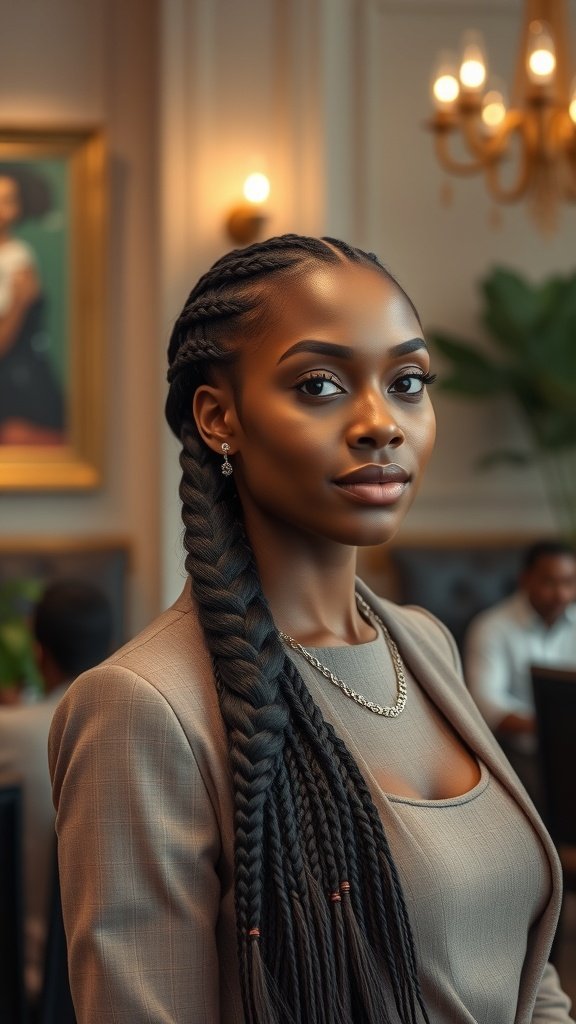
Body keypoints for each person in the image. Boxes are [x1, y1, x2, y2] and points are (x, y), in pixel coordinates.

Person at [49, 235, 573, 1023]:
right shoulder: (143, 708)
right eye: (320, 384)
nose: (381, 424)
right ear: (219, 418)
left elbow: (525, 971)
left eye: (407, 382)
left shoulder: (424, 644)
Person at [0, 579, 113, 1009]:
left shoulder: (9, 732)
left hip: (19, 992)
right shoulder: (133, 732)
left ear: (38, 652)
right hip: (103, 994)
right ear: (110, 648)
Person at [464, 539, 576, 805]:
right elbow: (486, 702)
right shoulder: (491, 627)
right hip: (521, 751)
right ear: (525, 580)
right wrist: (553, 727)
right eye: (550, 583)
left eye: (569, 583)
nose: (561, 594)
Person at [0, 162, 65, 445]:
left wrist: (18, 304)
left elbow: (5, 339)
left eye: (7, 201)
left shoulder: (18, 259)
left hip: (16, 388)